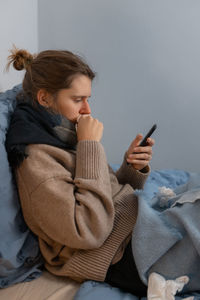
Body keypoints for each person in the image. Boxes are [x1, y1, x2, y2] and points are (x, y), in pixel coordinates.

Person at [6, 47, 155, 297]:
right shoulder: (37, 160)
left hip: (130, 229)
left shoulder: (61, 133)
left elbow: (101, 199)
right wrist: (89, 146)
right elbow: (89, 230)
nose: (86, 109)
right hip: (116, 253)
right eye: (77, 99)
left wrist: (132, 170)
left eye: (87, 99)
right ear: (44, 99)